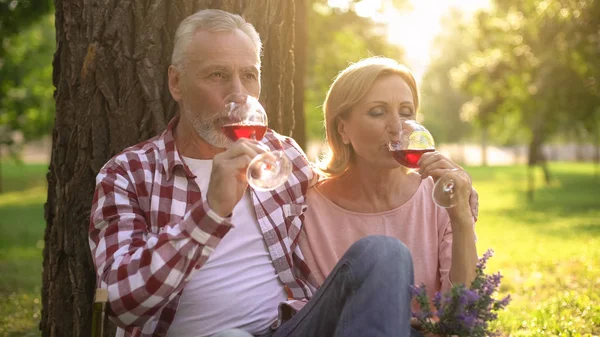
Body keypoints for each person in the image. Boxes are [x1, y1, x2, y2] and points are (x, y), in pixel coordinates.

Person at [89, 9, 418, 337]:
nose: (238, 94)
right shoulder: (128, 174)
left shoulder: (283, 155)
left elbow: (348, 199)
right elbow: (121, 304)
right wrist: (210, 212)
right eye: (217, 75)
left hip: (290, 329)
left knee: (384, 253)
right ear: (176, 82)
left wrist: (437, 195)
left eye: (248, 75)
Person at [298, 57, 480, 333]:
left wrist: (461, 217)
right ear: (342, 129)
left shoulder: (438, 197)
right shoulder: (305, 206)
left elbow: (460, 314)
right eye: (378, 112)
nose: (397, 127)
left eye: (406, 112)